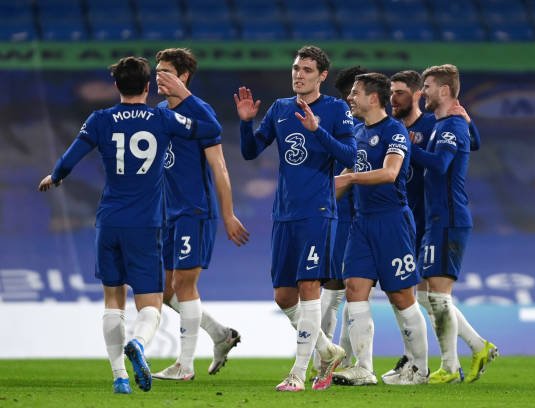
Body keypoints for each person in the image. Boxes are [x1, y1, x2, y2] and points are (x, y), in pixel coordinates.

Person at [38, 56, 222, 394]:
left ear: (116, 86)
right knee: (150, 304)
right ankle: (137, 343)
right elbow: (211, 129)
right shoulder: (162, 118)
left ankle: (119, 377)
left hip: (109, 221)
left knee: (113, 300)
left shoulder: (100, 119)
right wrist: (186, 95)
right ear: (148, 86)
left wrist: (56, 176)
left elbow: (69, 158)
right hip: (146, 225)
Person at [233, 45, 356, 392]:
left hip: (318, 211)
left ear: (322, 76)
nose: (298, 75)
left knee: (309, 286)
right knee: (284, 296)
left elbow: (351, 156)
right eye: (296, 68)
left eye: (306, 70)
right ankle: (328, 350)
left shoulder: (336, 110)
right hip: (284, 212)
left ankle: (298, 374)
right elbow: (250, 151)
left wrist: (317, 130)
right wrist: (246, 123)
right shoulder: (280, 108)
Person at [385, 70, 496, 384]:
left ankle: (449, 366)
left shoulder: (449, 125)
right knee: (426, 296)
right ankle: (478, 346)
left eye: (428, 86)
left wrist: (407, 148)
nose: (425, 91)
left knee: (438, 295)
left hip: (447, 218)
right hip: (435, 219)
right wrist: (469, 122)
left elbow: (441, 164)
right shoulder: (444, 124)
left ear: (444, 90)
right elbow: (472, 142)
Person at [151, 48, 249, 382]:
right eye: (157, 71)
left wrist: (228, 214)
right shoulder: (160, 112)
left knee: (183, 283)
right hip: (168, 214)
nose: (159, 77)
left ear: (183, 76)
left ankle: (184, 365)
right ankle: (221, 334)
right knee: (165, 292)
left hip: (194, 211)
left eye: (166, 71)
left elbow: (219, 167)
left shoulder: (200, 111)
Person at [332, 72, 429, 386]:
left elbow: (390, 172)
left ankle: (419, 369)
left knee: (401, 296)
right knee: (354, 288)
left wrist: (349, 179)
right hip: (362, 222)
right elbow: (349, 171)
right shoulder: (358, 131)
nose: (350, 97)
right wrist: (322, 198)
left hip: (392, 221)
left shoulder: (395, 131)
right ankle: (364, 368)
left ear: (373, 98)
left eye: (356, 92)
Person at [310, 65, 368, 378]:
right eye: (359, 92)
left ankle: (328, 360)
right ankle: (329, 359)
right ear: (350, 96)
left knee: (342, 293)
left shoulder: (342, 126)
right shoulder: (354, 129)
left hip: (347, 216)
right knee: (339, 292)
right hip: (344, 216)